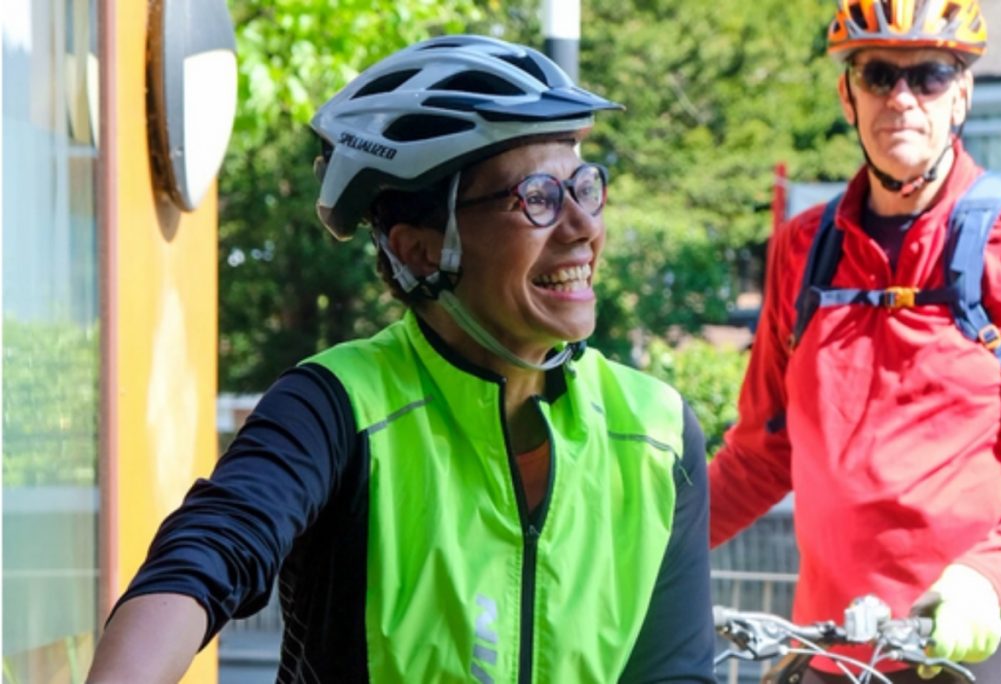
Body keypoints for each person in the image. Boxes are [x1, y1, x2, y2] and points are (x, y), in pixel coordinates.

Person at [85, 35, 716, 683]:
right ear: (419, 250)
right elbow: (208, 555)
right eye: (536, 196)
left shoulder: (655, 433)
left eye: (584, 186)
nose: (582, 225)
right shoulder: (337, 405)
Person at [708, 0, 1001, 681]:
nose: (903, 99)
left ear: (962, 93)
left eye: (931, 76)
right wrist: (643, 541)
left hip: (984, 648)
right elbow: (763, 452)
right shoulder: (805, 249)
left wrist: (990, 572)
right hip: (832, 653)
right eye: (878, 75)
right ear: (846, 95)